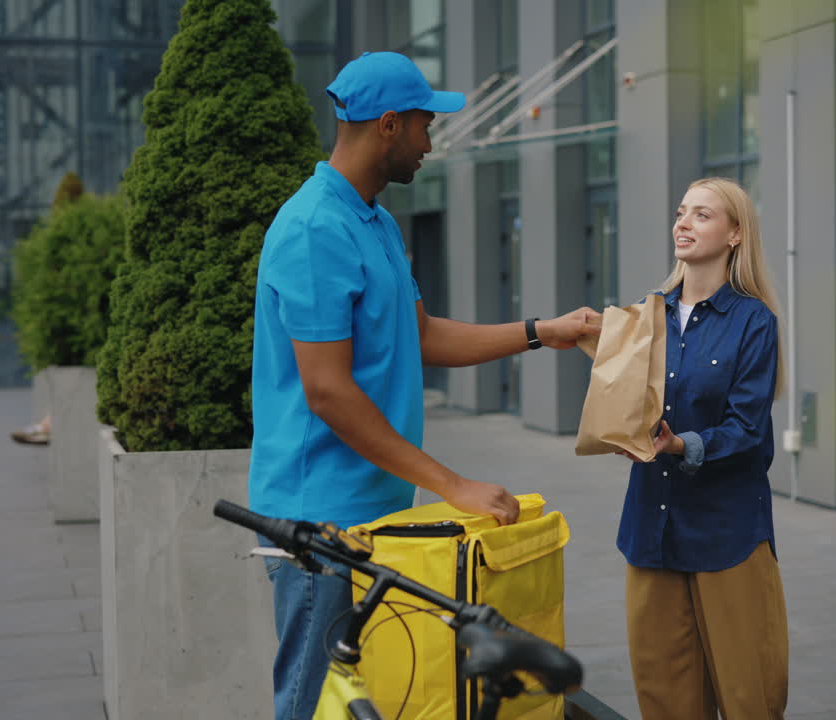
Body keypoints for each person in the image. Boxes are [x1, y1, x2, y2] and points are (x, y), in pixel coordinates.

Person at [248, 52, 600, 720]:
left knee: (370, 703)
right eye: (424, 125)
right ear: (387, 125)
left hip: (375, 516)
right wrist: (452, 484)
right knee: (314, 701)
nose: (431, 143)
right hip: (318, 525)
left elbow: (424, 335)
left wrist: (540, 331)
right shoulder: (313, 229)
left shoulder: (376, 222)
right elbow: (327, 390)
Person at [616, 177, 789, 719]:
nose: (683, 223)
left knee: (749, 697)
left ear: (735, 234)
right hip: (652, 532)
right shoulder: (645, 316)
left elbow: (747, 429)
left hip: (727, 537)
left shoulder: (754, 322)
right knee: (665, 701)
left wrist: (679, 445)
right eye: (681, 212)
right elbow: (625, 403)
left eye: (703, 215)